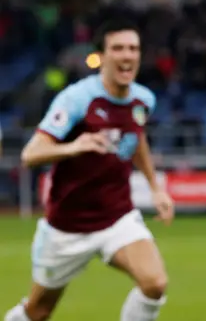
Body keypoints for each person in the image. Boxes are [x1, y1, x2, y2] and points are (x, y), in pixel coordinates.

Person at [4, 20, 173, 321]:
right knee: (39, 311)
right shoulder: (77, 99)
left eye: (133, 48)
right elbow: (31, 154)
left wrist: (155, 188)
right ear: (102, 57)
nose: (127, 55)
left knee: (155, 283)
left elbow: (137, 139)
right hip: (67, 227)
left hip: (116, 217)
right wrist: (73, 146)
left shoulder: (143, 100)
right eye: (118, 48)